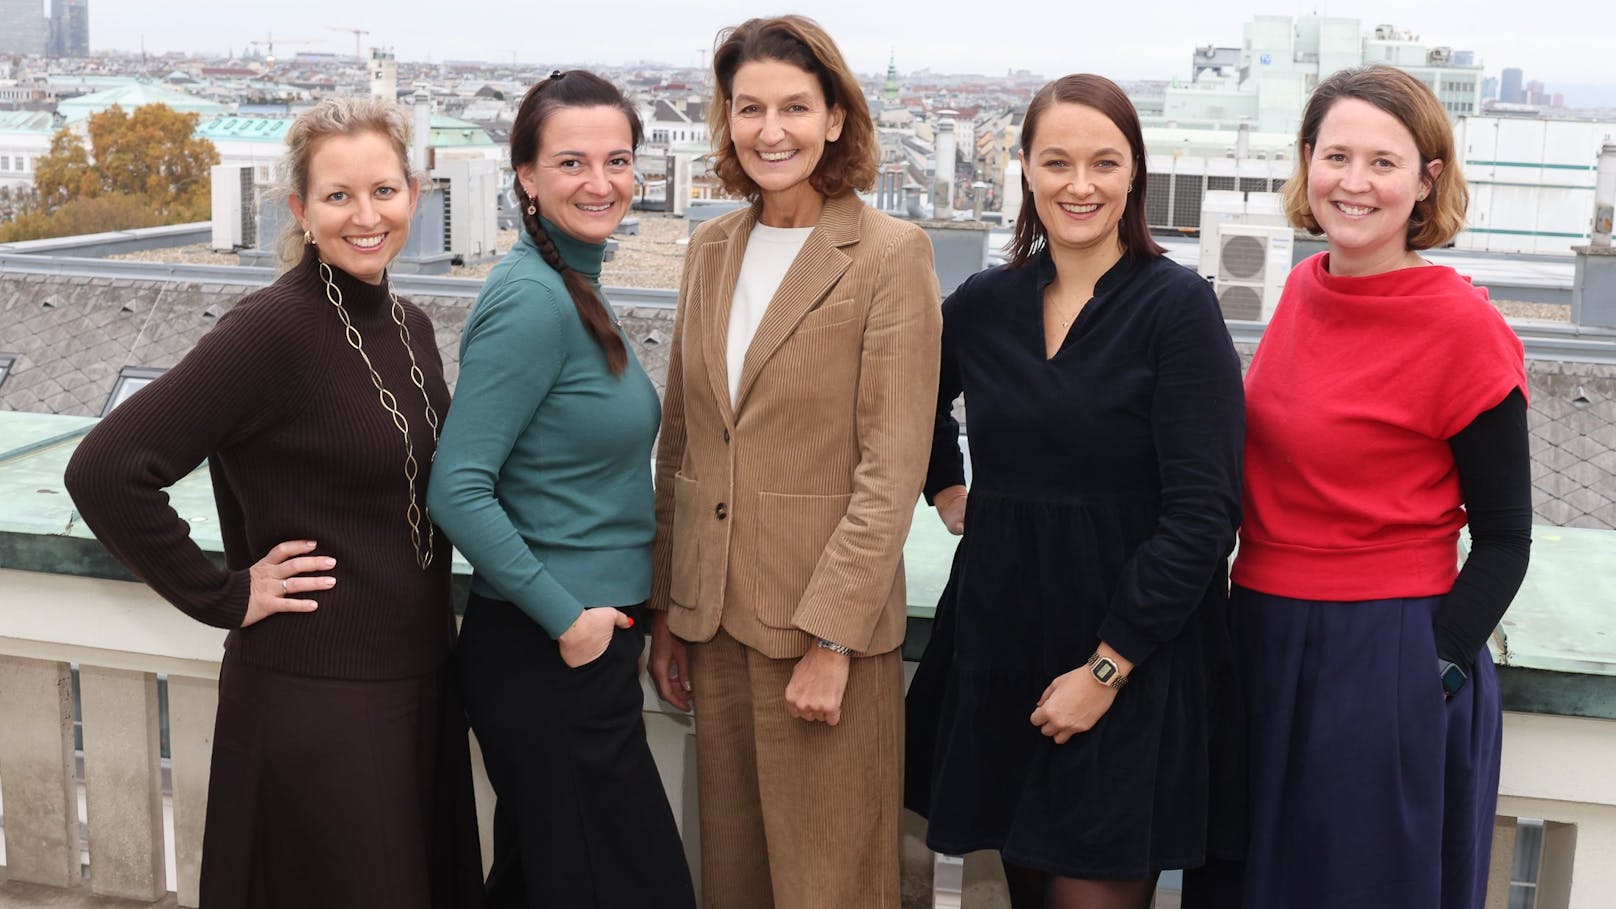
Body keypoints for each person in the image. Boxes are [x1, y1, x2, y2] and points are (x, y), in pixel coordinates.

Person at [63, 97, 483, 908]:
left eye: (385, 191)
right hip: (318, 701)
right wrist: (226, 592)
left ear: (416, 194)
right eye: (338, 196)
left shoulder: (412, 324)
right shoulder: (272, 331)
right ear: (300, 210)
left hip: (420, 683)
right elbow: (108, 467)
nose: (366, 216)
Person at [1181, 65, 1531, 909]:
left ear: (1428, 178)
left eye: (1385, 161)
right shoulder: (1302, 288)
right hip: (1260, 634)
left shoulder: (1465, 328)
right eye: (1336, 155)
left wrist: (1431, 667)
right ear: (1307, 164)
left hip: (1385, 655)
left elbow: (1507, 539)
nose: (1356, 181)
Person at [903, 74, 1245, 909]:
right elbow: (906, 408)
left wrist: (1107, 666)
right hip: (1002, 636)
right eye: (1056, 161)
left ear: (1135, 174)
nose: (1080, 184)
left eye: (1104, 162)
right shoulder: (985, 304)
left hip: (1131, 651)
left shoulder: (1178, 309)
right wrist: (948, 486)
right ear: (1023, 167)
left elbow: (1205, 516)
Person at [645, 15, 942, 908]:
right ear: (726, 121)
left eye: (795, 107)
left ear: (837, 119)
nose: (771, 129)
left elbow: (891, 471)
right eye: (749, 108)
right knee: (732, 883)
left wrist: (832, 640)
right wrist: (670, 607)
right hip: (714, 624)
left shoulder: (891, 255)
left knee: (830, 890)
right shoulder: (709, 249)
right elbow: (687, 441)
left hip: (822, 639)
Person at [426, 70, 695, 908]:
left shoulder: (576, 284)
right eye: (572, 162)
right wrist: (570, 622)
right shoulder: (534, 301)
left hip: (581, 646)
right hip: (550, 651)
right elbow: (457, 487)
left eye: (618, 160)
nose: (601, 182)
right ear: (527, 178)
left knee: (547, 881)